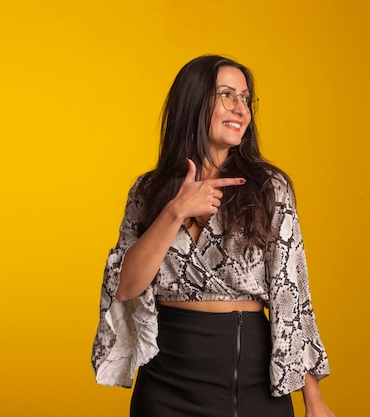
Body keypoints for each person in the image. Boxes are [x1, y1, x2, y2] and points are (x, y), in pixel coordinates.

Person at [91, 54, 334, 417]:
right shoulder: (148, 190)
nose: (241, 109)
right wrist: (176, 210)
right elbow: (125, 287)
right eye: (226, 95)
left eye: (245, 98)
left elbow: (292, 293)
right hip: (167, 386)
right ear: (193, 102)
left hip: (251, 387)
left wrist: (312, 399)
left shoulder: (269, 188)